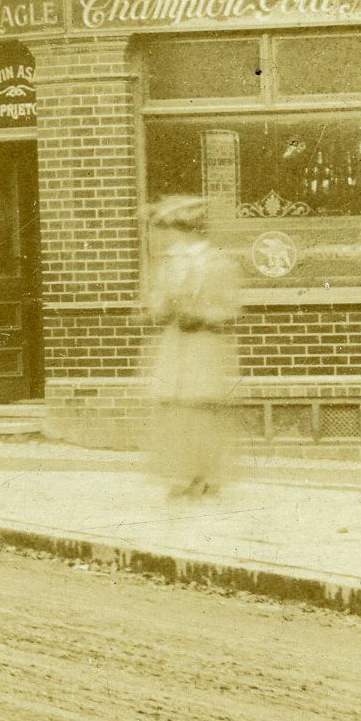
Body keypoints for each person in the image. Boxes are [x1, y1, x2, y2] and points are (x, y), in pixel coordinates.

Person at [146, 195, 242, 499]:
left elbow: (231, 309)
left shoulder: (219, 263)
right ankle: (183, 474)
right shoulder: (169, 263)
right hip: (175, 345)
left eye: (178, 230)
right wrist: (162, 308)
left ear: (193, 230)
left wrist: (201, 316)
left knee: (202, 409)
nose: (173, 238)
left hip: (204, 344)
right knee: (175, 410)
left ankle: (207, 476)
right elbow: (156, 304)